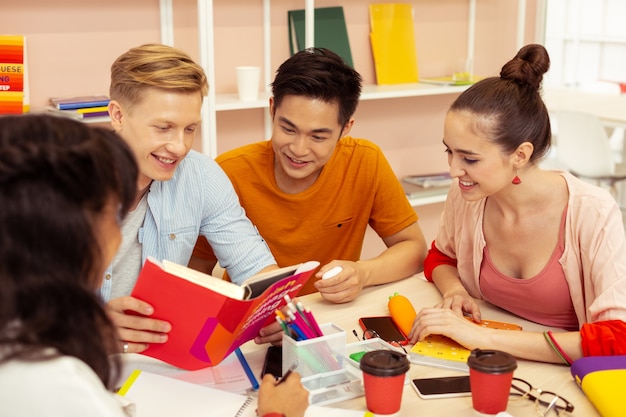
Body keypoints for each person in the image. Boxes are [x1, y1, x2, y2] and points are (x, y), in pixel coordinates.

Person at [0, 114, 308, 417]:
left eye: (190, 128)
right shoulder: (49, 379)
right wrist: (275, 415)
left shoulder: (25, 331)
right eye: (112, 213)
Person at [408, 44, 626, 364]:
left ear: (520, 155)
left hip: (560, 376)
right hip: (490, 361)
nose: (454, 171)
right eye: (449, 152)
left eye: (469, 158)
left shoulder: (592, 211)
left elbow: (617, 340)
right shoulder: (469, 194)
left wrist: (483, 337)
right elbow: (441, 256)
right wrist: (455, 291)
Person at [190, 47, 428, 303]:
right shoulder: (230, 171)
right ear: (272, 109)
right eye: (288, 128)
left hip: (330, 314)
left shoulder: (365, 161)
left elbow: (414, 249)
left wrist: (363, 273)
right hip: (253, 319)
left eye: (318, 136)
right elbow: (196, 269)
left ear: (346, 127)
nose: (298, 149)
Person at [104, 44, 281, 353]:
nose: (179, 147)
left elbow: (252, 264)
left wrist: (277, 306)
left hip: (157, 361)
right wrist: (87, 321)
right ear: (117, 115)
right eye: (163, 128)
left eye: (190, 129)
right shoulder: (57, 184)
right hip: (70, 360)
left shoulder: (201, 175)